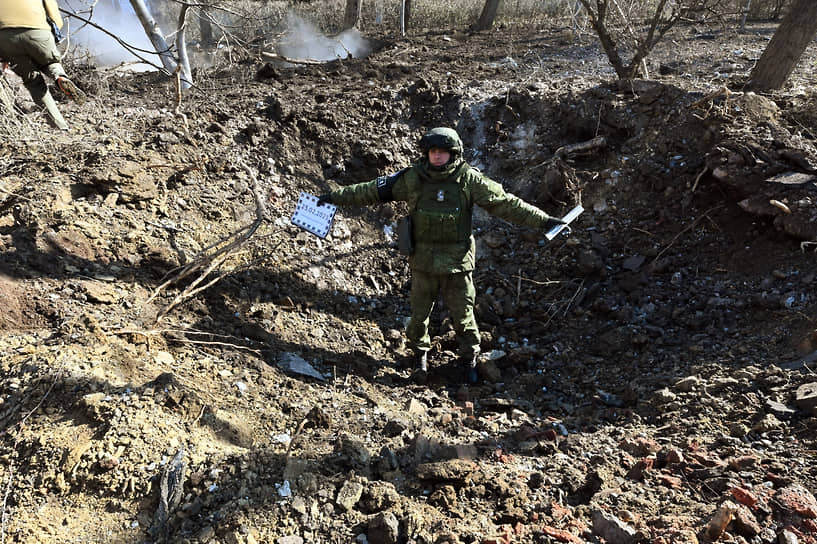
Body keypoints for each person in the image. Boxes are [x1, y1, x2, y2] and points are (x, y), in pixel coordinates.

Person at [318, 127, 566, 384]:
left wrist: (543, 221)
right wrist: (334, 197)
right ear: (427, 153)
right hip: (423, 262)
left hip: (458, 264)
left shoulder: (468, 179)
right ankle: (419, 355)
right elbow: (370, 190)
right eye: (433, 151)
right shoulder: (413, 178)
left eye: (443, 152)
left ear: (453, 153)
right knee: (419, 314)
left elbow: (505, 203)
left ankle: (469, 358)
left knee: (464, 315)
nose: (437, 157)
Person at [0, 0, 86, 130]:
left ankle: (59, 126)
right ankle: (60, 77)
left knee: (33, 81)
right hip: (38, 30)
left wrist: (4, 54)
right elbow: (56, 18)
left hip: (5, 36)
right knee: (50, 62)